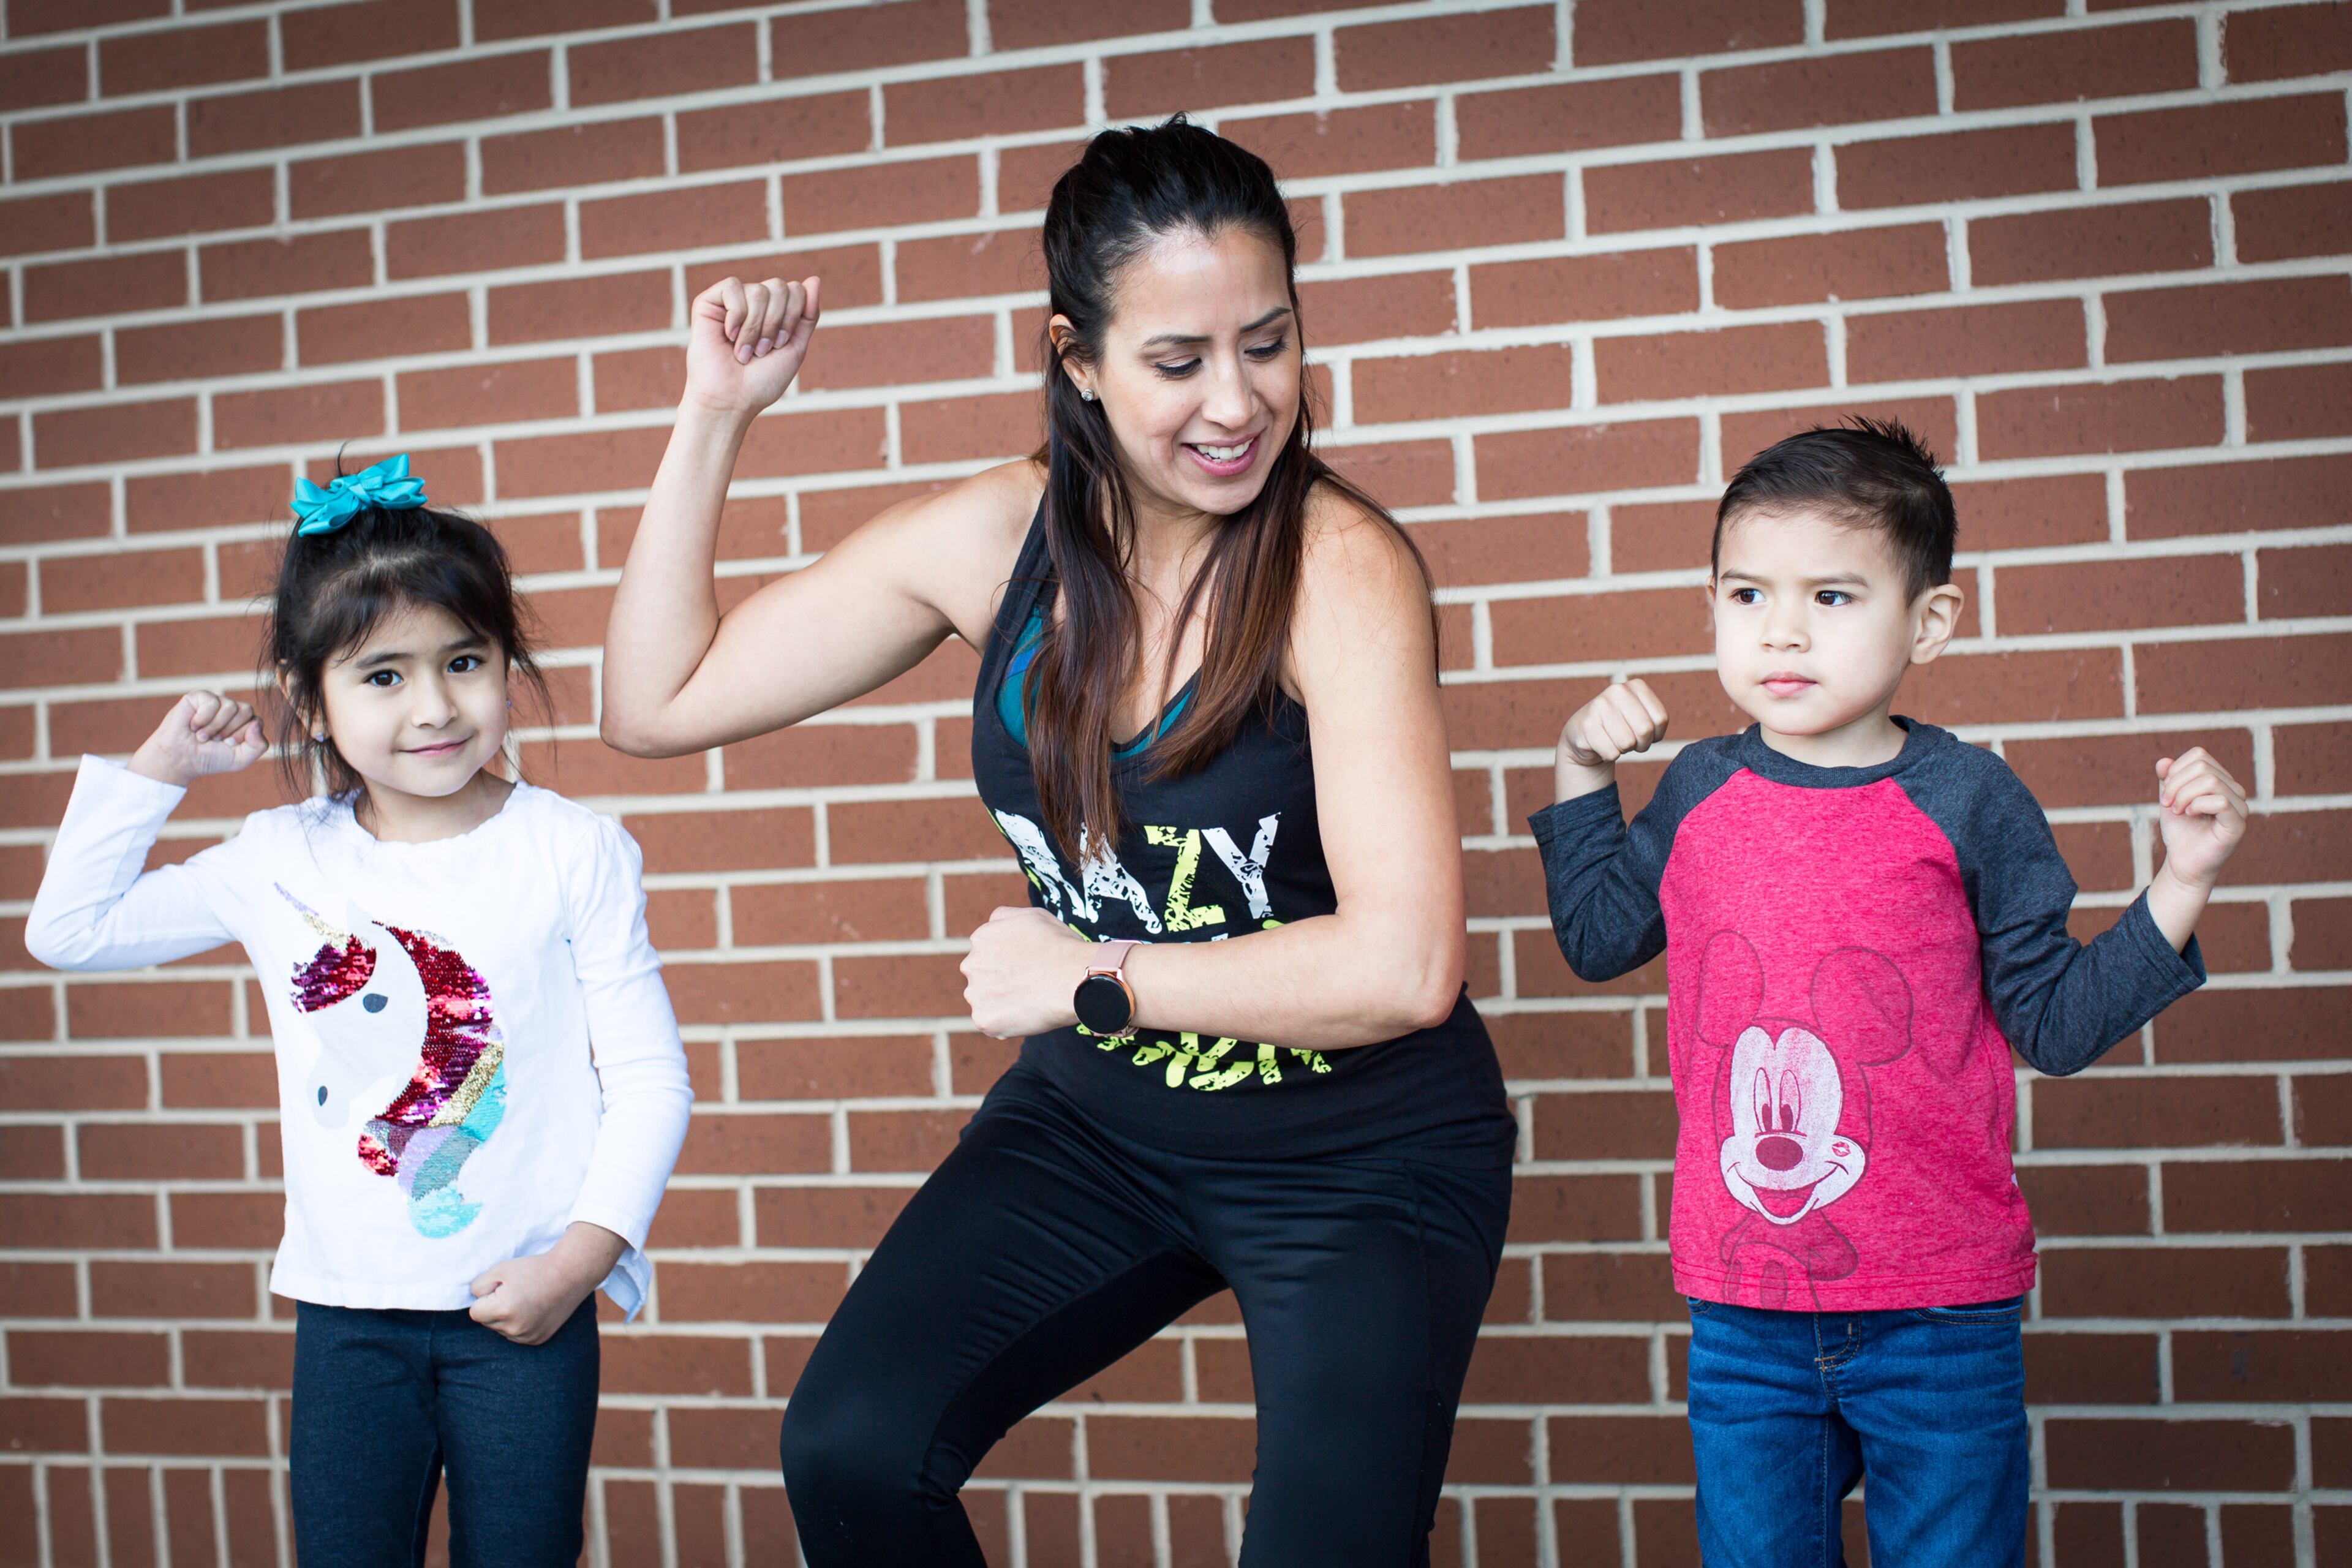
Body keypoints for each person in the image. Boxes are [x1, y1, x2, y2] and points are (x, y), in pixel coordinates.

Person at [600, 118, 1516, 1566]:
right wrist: (716, 413)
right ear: (1077, 359)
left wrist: (1097, 975)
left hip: (1360, 1148)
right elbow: (655, 701)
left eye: (1268, 343)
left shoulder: (1338, 566)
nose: (1238, 401)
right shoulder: (999, 541)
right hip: (1106, 1127)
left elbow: (1404, 966)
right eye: (1178, 360)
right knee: (854, 1441)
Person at [1527, 420, 2249, 1567]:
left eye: (1833, 597)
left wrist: (2184, 880)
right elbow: (1600, 938)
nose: (1782, 632)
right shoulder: (1699, 788)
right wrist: (1581, 771)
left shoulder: (1970, 799)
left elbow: (2055, 1025)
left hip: (1941, 1311)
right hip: (1747, 1310)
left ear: (1930, 619)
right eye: (1748, 593)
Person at [24, 456, 693, 1568]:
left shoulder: (572, 850)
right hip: (346, 1323)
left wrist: (579, 1264)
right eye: (382, 676)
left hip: (520, 1315)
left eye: (464, 663)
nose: (434, 707)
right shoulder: (280, 858)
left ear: (504, 666)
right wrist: (158, 771)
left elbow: (650, 1078)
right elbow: (70, 931)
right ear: (311, 700)